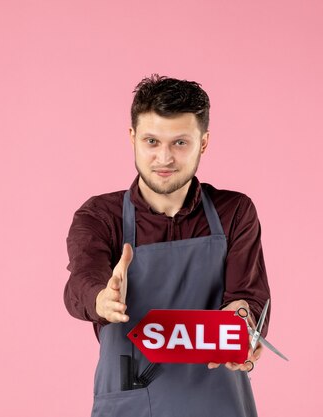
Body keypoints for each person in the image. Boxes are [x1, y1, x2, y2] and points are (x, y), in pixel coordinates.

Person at [63, 74, 271, 417]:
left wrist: (243, 327)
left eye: (180, 143)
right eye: (151, 141)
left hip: (219, 402)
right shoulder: (102, 216)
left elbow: (247, 296)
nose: (164, 158)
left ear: (202, 143)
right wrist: (103, 298)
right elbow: (82, 280)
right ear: (132, 139)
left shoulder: (234, 211)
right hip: (133, 404)